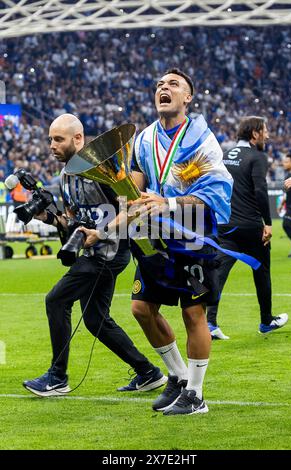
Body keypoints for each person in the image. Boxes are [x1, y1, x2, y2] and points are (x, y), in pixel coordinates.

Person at [82, 68, 233, 415]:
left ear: (188, 98)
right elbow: (132, 196)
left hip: (194, 235)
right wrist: (103, 230)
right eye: (160, 85)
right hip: (154, 237)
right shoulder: (145, 140)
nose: (164, 88)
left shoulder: (202, 139)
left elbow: (216, 193)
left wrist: (169, 203)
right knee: (141, 308)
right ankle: (179, 377)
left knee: (193, 313)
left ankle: (196, 396)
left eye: (174, 85)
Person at [23, 114, 166, 397]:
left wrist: (100, 232)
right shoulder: (65, 175)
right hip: (95, 252)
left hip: (108, 253)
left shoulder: (103, 168)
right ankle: (148, 372)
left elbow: (133, 209)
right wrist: (48, 219)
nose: (52, 145)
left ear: (78, 139)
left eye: (58, 139)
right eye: (50, 139)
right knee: (95, 320)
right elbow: (72, 221)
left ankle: (57, 377)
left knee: (56, 300)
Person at [206, 116, 288, 338]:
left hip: (224, 224)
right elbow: (261, 191)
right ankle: (266, 321)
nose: (268, 135)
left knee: (219, 271)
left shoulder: (226, 155)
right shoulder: (257, 156)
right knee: (261, 271)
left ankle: (210, 323)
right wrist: (268, 223)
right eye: (265, 131)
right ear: (254, 134)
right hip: (250, 225)